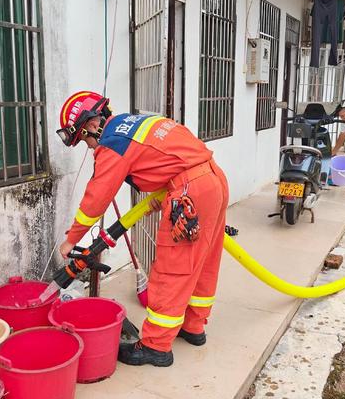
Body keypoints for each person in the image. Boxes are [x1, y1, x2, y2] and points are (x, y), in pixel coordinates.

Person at [56, 91, 229, 367]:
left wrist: (71, 240)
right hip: (213, 179)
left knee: (173, 269)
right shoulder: (132, 125)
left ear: (91, 125)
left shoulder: (112, 143)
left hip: (188, 191)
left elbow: (95, 199)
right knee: (204, 261)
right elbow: (168, 160)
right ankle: (194, 327)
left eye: (84, 140)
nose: (89, 147)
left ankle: (155, 346)